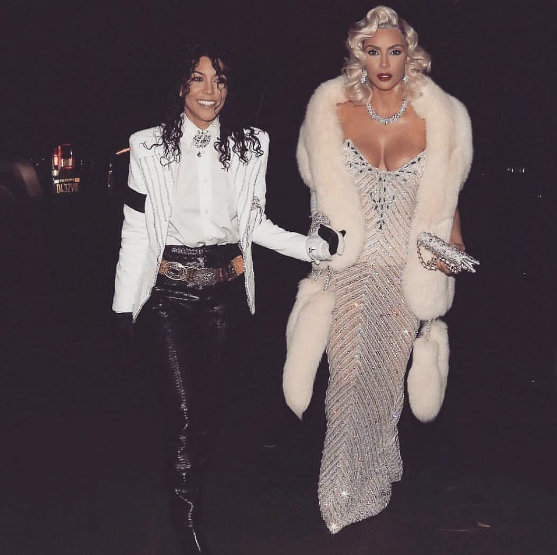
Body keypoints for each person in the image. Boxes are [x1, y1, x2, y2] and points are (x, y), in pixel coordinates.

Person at [112, 44, 341, 553]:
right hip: (168, 294)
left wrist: (311, 248)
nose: (210, 91)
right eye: (198, 79)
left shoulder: (251, 145)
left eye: (219, 81)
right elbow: (137, 228)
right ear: (181, 85)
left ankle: (188, 483)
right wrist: (124, 305)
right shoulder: (147, 146)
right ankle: (186, 515)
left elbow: (254, 223)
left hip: (227, 297)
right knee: (185, 410)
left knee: (210, 409)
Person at [283, 6, 473, 533]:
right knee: (345, 381)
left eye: (394, 51)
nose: (384, 62)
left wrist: (454, 245)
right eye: (373, 51)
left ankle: (379, 462)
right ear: (359, 56)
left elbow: (447, 199)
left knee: (384, 385)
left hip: (403, 274)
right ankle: (342, 492)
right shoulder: (332, 112)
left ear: (410, 55)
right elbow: (320, 200)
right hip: (348, 272)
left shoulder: (440, 118)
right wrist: (320, 249)